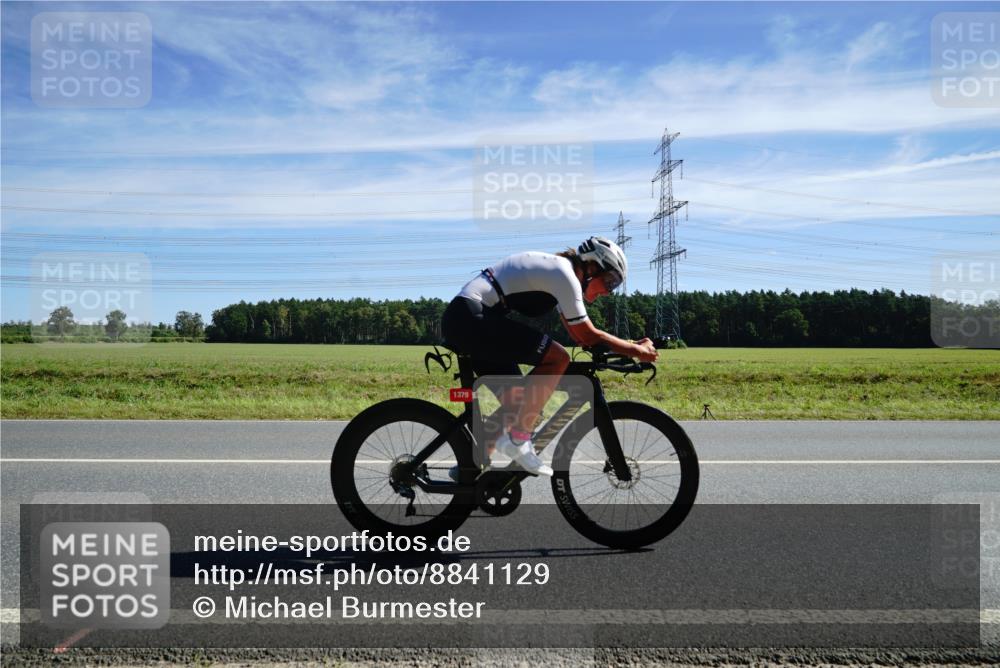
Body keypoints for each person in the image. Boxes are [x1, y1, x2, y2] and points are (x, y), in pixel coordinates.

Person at [441, 236, 658, 477]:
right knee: (558, 358)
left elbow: (580, 334)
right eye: (609, 282)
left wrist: (628, 345)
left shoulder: (560, 275)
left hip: (470, 318)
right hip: (472, 317)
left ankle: (471, 469)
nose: (608, 291)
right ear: (592, 266)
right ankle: (518, 439)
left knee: (521, 401)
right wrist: (636, 351)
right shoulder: (564, 274)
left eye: (613, 286)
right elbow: (586, 335)